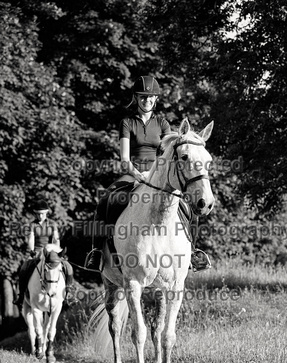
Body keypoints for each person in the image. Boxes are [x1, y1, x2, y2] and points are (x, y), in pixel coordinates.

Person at [85, 75, 211, 272]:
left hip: (157, 174)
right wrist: (138, 175)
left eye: (150, 97)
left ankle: (193, 252)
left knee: (187, 204)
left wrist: (155, 174)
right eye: (143, 97)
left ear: (155, 99)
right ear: (136, 98)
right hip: (134, 172)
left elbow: (168, 156)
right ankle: (97, 252)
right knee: (108, 198)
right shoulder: (127, 123)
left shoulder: (162, 124)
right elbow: (124, 159)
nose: (147, 101)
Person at [14, 199, 74, 312]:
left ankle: (68, 293)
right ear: (35, 214)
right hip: (37, 252)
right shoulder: (32, 225)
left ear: (46, 213)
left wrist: (56, 250)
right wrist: (31, 250)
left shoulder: (52, 224)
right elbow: (31, 239)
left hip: (50, 251)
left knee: (68, 267)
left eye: (42, 213)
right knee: (24, 268)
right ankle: (21, 295)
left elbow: (56, 239)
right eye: (38, 214)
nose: (40, 216)